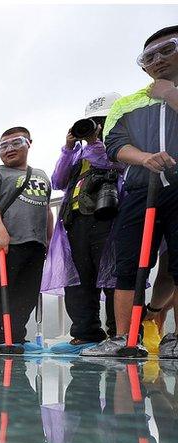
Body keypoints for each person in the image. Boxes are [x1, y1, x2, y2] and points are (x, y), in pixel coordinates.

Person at [84, 25, 178, 357]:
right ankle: (124, 336)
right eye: (149, 57)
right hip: (141, 190)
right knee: (129, 263)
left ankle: (175, 338)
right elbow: (114, 144)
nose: (158, 61)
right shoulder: (129, 103)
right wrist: (144, 158)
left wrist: (170, 95)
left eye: (168, 50)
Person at [43, 94, 123, 355]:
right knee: (78, 278)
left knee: (112, 275)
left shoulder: (120, 141)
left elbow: (109, 162)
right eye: (92, 121)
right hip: (75, 220)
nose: (96, 125)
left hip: (108, 216)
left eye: (102, 120)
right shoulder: (78, 151)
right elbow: (58, 180)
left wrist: (94, 141)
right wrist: (68, 148)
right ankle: (85, 332)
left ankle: (118, 332)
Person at [0, 127, 53, 352]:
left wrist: (48, 239)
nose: (9, 150)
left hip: (35, 244)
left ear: (29, 143)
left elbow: (47, 210)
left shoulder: (41, 174)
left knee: (26, 295)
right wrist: (0, 232)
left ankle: (16, 337)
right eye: (3, 146)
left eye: (15, 143)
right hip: (3, 244)